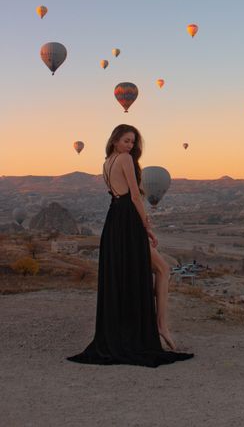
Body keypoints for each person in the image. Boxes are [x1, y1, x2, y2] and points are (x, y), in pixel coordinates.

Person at [67, 124, 194, 367]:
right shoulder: (125, 159)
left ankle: (151, 326)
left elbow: (116, 193)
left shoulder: (107, 162)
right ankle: (161, 326)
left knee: (148, 270)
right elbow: (135, 195)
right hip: (128, 218)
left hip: (115, 217)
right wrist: (147, 226)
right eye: (126, 140)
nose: (130, 146)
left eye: (133, 142)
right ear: (115, 140)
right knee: (164, 269)